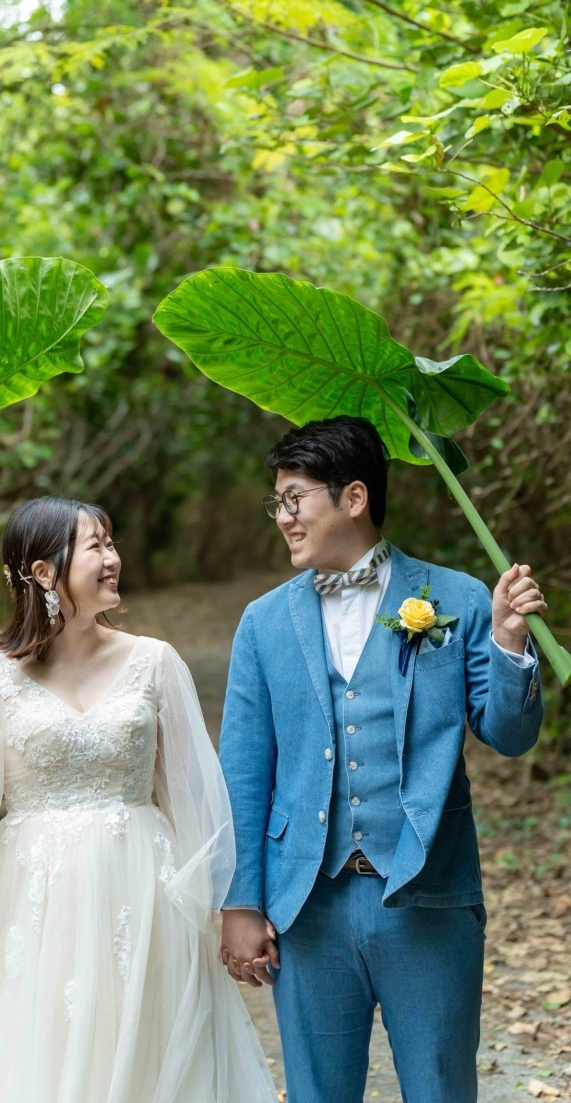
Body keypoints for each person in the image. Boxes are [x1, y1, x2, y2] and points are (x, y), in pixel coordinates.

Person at [0, 496, 276, 1103]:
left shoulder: (155, 662)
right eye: (96, 546)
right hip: (32, 900)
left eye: (111, 542)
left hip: (143, 896)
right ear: (43, 572)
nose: (113, 558)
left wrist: (227, 910)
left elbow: (197, 803)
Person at [218, 416, 546, 1103]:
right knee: (318, 1093)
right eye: (277, 502)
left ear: (355, 497)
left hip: (429, 895)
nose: (283, 517)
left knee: (439, 1088)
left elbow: (510, 735)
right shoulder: (263, 623)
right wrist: (241, 901)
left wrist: (510, 642)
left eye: (294, 498)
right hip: (308, 902)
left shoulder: (457, 599)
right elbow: (243, 773)